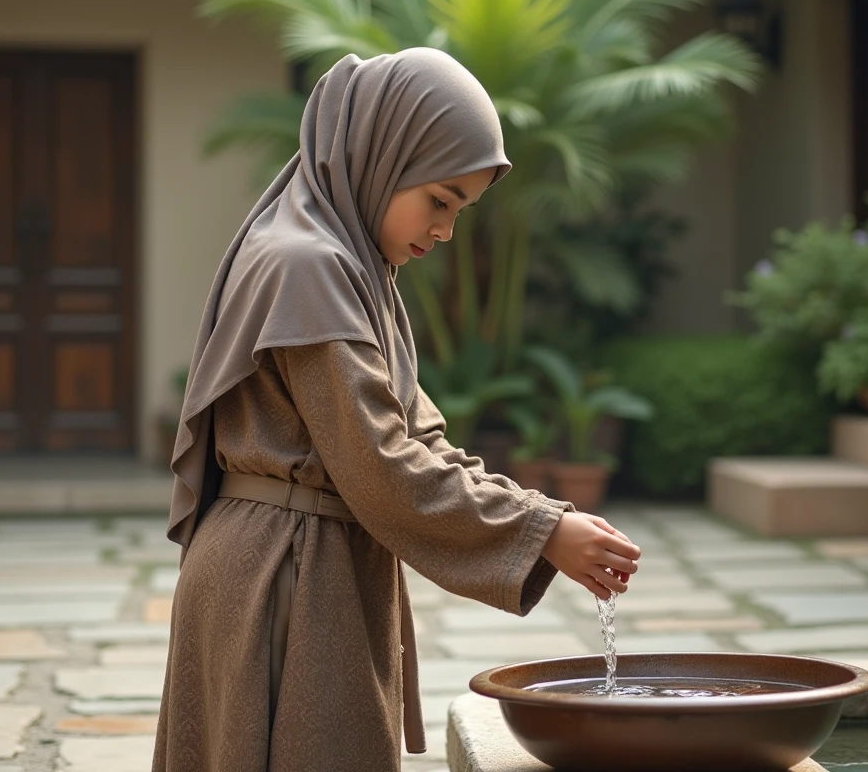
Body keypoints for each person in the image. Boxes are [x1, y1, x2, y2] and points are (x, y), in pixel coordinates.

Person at [151, 47, 641, 772]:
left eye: (460, 211)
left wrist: (544, 520)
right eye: (440, 200)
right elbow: (382, 463)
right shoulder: (308, 266)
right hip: (282, 578)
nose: (445, 230)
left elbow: (422, 440)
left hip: (303, 563)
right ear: (380, 152)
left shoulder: (350, 266)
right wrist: (540, 531)